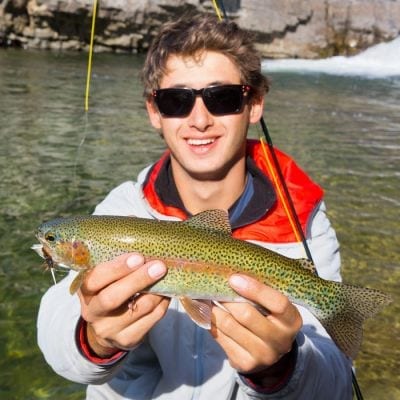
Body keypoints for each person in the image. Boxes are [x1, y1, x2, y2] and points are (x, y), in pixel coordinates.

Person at [37, 13, 352, 400]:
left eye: (222, 98)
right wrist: (92, 337)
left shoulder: (303, 220)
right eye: (176, 101)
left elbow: (335, 382)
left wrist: (280, 370)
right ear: (155, 112)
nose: (199, 120)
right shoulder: (124, 208)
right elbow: (57, 319)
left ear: (254, 104)